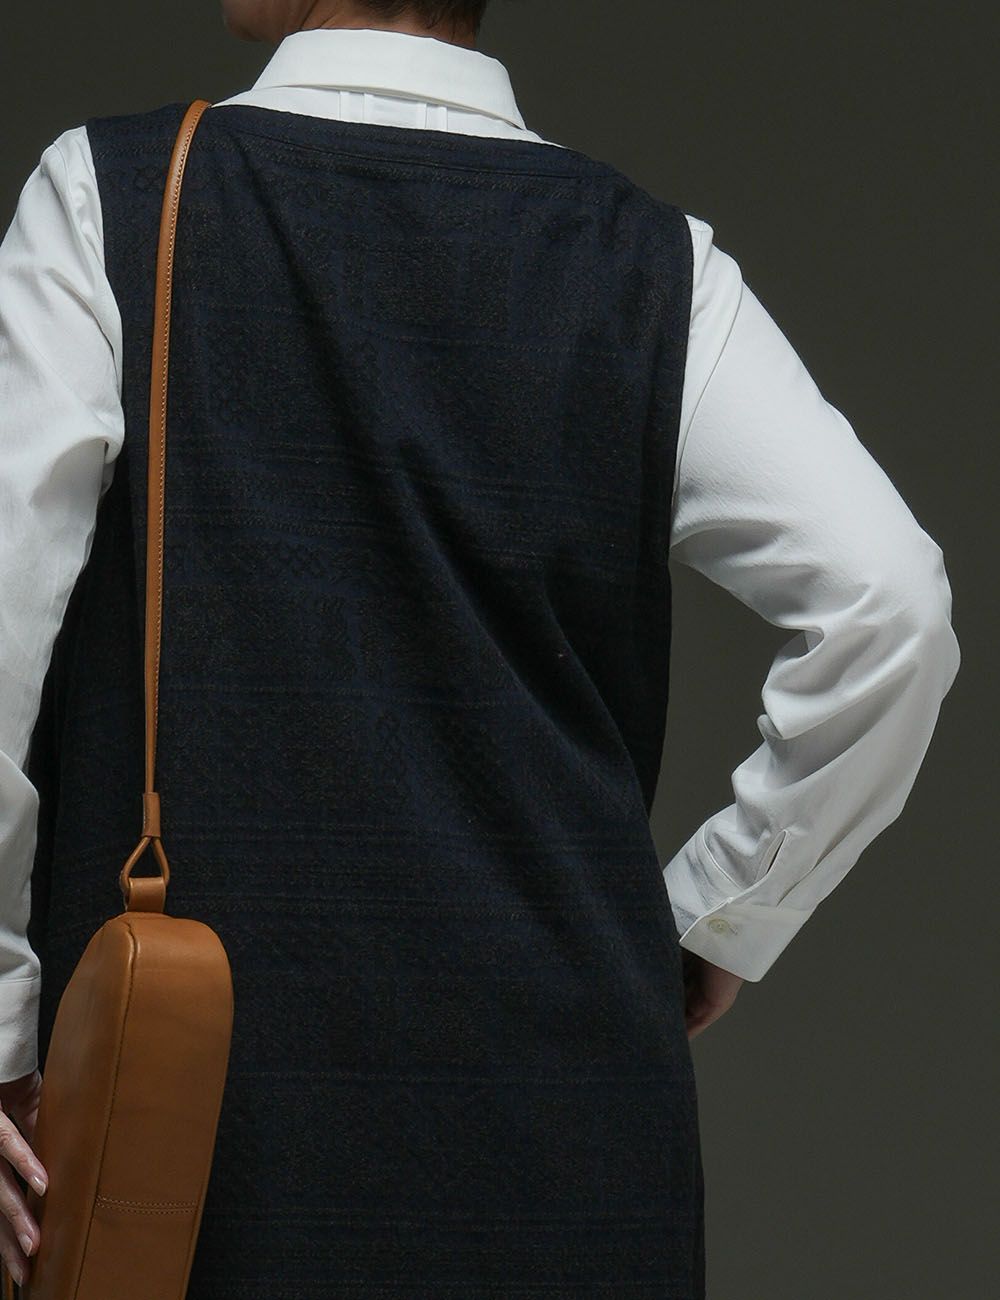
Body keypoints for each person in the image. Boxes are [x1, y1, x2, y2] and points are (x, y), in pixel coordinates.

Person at [0, 1, 960, 1294]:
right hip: (575, 1143)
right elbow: (891, 604)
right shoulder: (655, 266)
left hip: (193, 1145)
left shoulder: (111, 200)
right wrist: (722, 916)